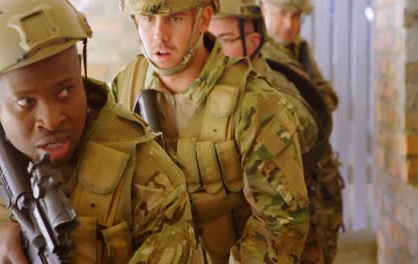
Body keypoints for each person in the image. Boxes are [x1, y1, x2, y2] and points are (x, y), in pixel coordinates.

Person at [0, 0, 198, 263]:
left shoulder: (148, 172)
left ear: (79, 68)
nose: (52, 120)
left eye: (65, 91)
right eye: (26, 102)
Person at [112, 0, 315, 262]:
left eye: (175, 18)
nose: (158, 36)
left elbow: (282, 223)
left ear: (203, 19)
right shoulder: (125, 87)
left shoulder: (254, 103)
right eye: (148, 18)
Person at [208, 1, 338, 263]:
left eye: (224, 40)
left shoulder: (273, 71)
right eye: (284, 14)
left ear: (253, 40)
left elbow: (319, 110)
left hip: (296, 217)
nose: (290, 24)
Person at [260, 0, 344, 262]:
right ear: (263, 8)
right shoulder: (261, 56)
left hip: (319, 179)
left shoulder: (298, 50)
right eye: (283, 13)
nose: (290, 24)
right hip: (293, 180)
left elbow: (329, 99)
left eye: (296, 16)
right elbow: (305, 113)